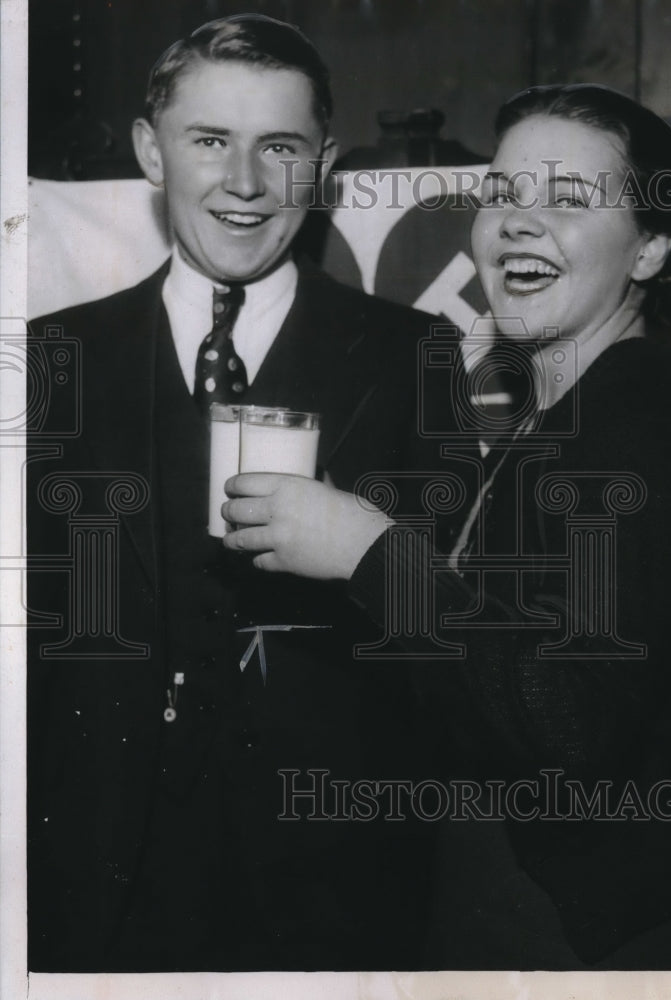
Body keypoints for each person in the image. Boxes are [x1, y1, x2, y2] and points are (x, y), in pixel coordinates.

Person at [222, 85, 671, 968]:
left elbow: (567, 717)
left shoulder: (650, 417)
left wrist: (370, 553)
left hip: (598, 942)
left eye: (568, 202)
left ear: (652, 248)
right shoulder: (567, 415)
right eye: (503, 195)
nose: (516, 223)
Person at [26, 14, 445, 972]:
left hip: (337, 889)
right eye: (210, 140)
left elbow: (448, 652)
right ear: (149, 150)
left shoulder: (413, 356)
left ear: (323, 165)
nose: (246, 182)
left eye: (281, 147)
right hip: (95, 880)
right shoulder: (56, 356)